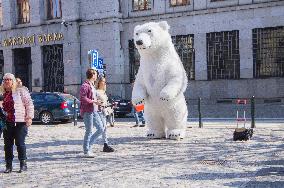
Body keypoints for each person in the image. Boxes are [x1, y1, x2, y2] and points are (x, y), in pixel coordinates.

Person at [0, 73, 34, 173]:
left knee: (20, 143)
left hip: (20, 121)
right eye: (5, 79)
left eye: (9, 79)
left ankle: (23, 164)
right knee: (8, 145)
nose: (7, 81)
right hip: (7, 122)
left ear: (13, 81)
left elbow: (29, 104)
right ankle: (8, 165)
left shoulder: (20, 91)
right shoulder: (2, 93)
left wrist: (29, 117)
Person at [80, 69, 114, 157]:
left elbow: (93, 97)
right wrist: (93, 101)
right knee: (89, 131)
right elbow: (83, 98)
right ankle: (86, 150)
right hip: (88, 111)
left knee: (101, 129)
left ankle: (88, 146)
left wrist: (97, 101)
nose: (96, 76)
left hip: (94, 111)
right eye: (95, 74)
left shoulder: (92, 85)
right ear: (92, 75)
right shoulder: (85, 85)